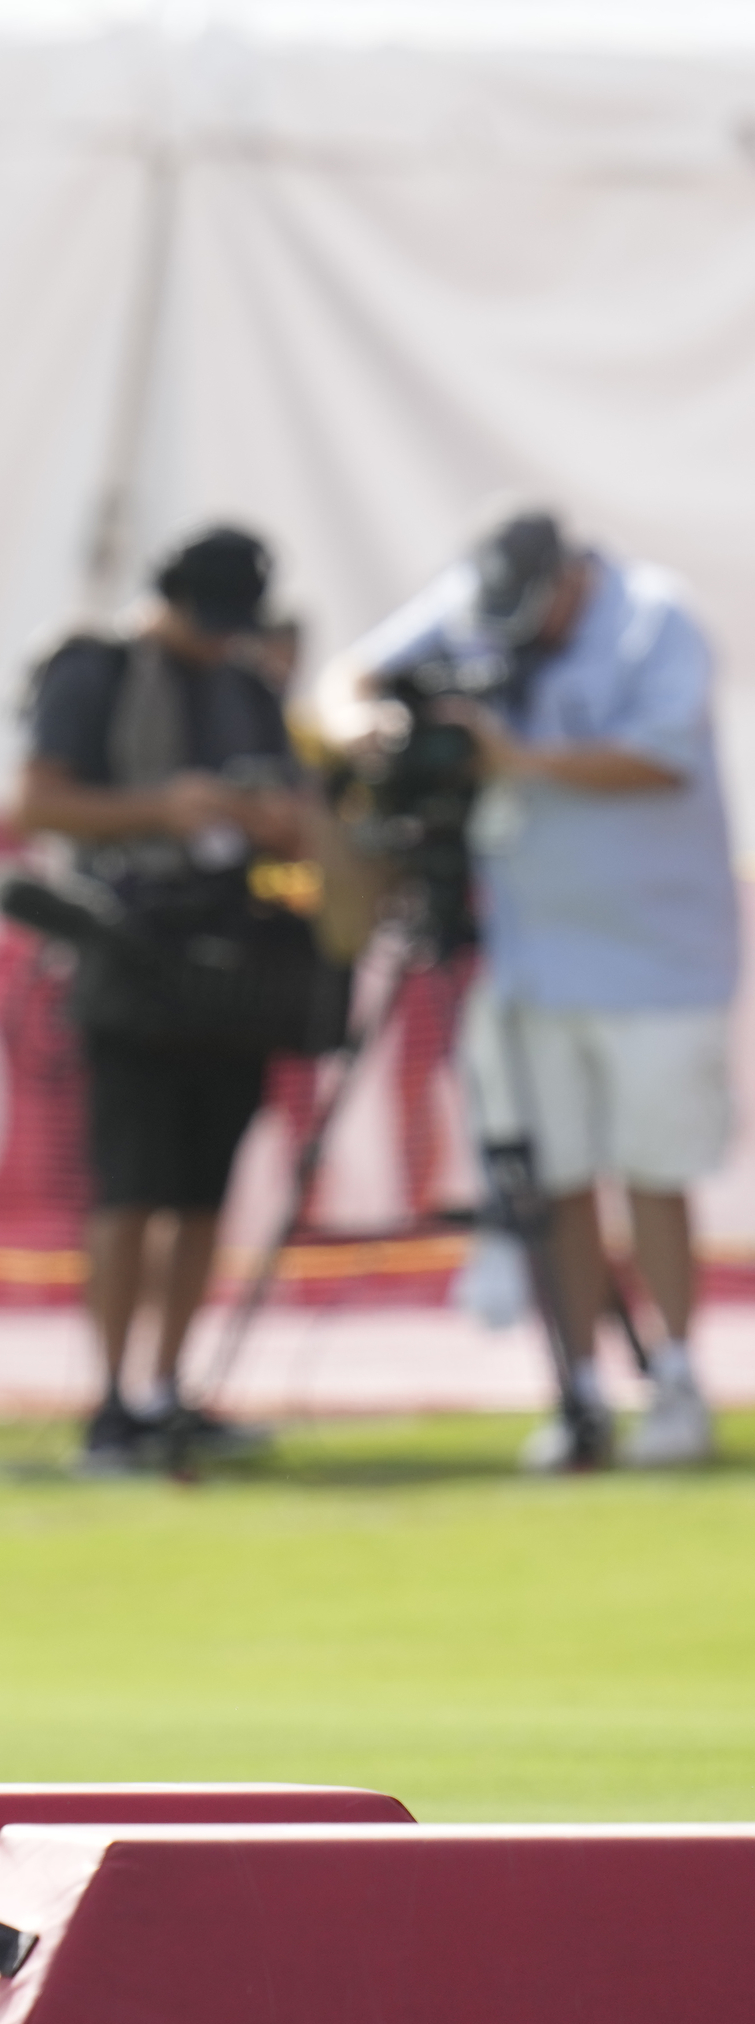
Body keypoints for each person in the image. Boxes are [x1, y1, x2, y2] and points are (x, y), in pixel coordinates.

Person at [329, 509, 732, 1471]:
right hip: (530, 955)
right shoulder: (473, 604)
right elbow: (344, 680)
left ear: (571, 581)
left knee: (654, 1174)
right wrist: (374, 730)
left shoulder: (653, 619)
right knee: (550, 1182)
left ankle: (676, 1382)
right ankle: (579, 1386)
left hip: (658, 958)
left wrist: (516, 761)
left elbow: (660, 759)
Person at [14, 527, 303, 1472]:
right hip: (127, 954)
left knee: (203, 1192)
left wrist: (269, 824)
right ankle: (110, 1398)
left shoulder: (250, 688)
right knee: (129, 1190)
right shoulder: (94, 671)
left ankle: (173, 1388)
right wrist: (163, 810)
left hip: (234, 963)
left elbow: (293, 810)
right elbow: (39, 803)